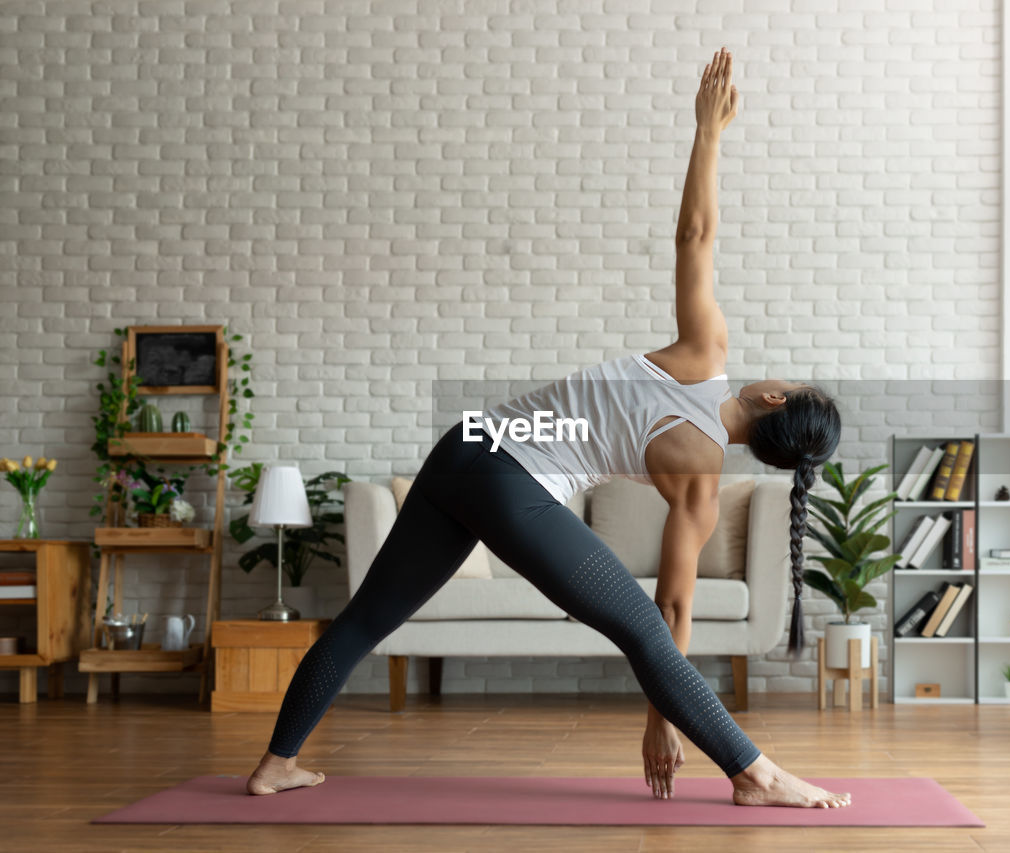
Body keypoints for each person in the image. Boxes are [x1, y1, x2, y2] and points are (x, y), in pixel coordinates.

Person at [247, 47, 848, 809]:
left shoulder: (704, 354)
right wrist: (657, 721)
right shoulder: (701, 482)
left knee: (369, 614)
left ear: (770, 396)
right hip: (506, 478)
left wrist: (708, 133)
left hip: (463, 449)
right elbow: (671, 613)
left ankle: (275, 762)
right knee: (639, 623)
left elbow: (694, 237)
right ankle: (754, 772)